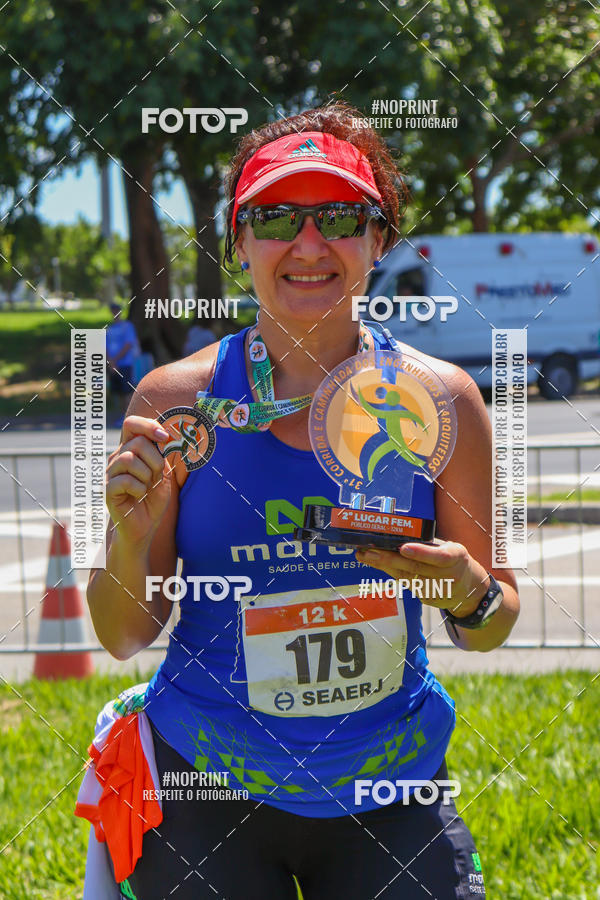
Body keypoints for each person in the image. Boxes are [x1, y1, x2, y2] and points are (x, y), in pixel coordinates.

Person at [85, 103, 519, 899]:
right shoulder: (177, 401)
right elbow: (119, 637)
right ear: (239, 241)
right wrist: (128, 534)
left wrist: (470, 592)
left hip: (390, 783)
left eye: (342, 216)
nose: (309, 244)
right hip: (206, 779)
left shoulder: (444, 402)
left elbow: (492, 625)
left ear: (380, 238)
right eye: (277, 215)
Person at [106, 302, 140, 419]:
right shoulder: (109, 329)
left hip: (125, 364)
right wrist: (110, 362)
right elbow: (105, 347)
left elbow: (128, 344)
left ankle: (130, 415)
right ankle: (122, 415)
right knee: (119, 392)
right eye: (113, 310)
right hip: (113, 365)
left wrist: (115, 360)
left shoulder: (127, 326)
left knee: (127, 391)